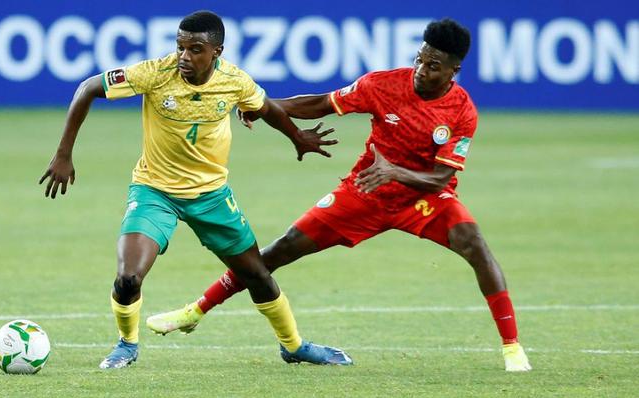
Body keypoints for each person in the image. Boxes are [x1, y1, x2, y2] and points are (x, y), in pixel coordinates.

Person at [146, 18, 532, 372]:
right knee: (279, 250)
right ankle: (195, 311)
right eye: (420, 59)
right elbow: (322, 103)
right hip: (364, 193)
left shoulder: (462, 110)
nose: (421, 71)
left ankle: (511, 346)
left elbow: (441, 177)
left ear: (454, 71)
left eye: (433, 66)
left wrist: (393, 172)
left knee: (475, 243)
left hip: (423, 199)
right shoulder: (383, 84)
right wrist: (264, 108)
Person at [39, 11, 352, 369]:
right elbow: (88, 88)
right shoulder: (155, 73)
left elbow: (265, 108)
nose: (184, 56)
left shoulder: (234, 81)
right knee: (128, 277)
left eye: (195, 49)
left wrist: (297, 137)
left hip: (212, 196)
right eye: (180, 47)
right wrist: (63, 153)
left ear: (217, 51)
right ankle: (127, 343)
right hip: (155, 191)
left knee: (257, 275)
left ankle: (294, 346)